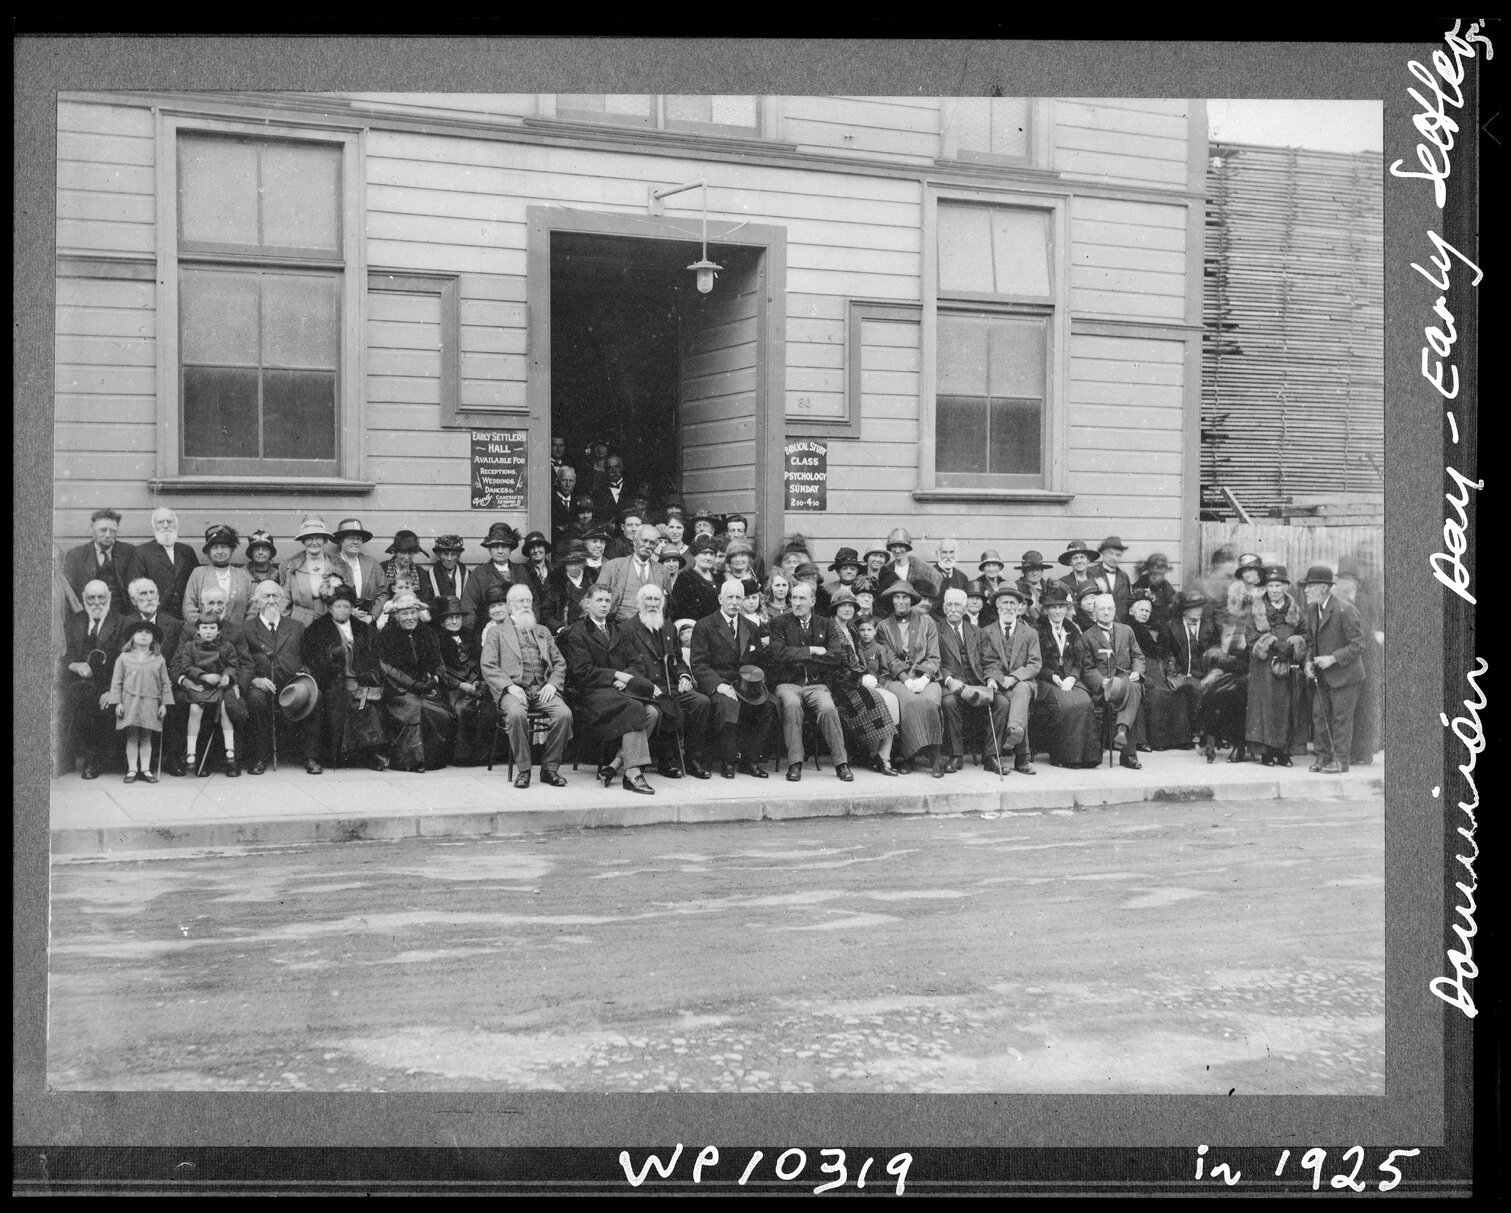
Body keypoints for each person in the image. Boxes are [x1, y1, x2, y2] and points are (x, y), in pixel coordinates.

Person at [561, 582, 661, 794]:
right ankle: (633, 774)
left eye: (608, 600)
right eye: (599, 600)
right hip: (592, 695)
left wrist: (626, 679)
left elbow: (637, 663)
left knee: (651, 713)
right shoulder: (577, 633)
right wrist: (616, 674)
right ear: (588, 603)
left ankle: (615, 765)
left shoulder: (618, 630)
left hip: (621, 691)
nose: (604, 605)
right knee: (635, 707)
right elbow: (582, 672)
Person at [610, 584, 712, 779]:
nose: (653, 604)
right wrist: (646, 685)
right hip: (643, 687)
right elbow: (625, 666)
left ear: (662, 603)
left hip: (670, 684)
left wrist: (684, 676)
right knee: (664, 706)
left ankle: (693, 760)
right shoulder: (626, 629)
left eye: (657, 600)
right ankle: (667, 762)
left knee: (701, 702)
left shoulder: (668, 627)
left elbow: (678, 660)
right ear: (639, 603)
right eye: (648, 599)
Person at [480, 583, 573, 788]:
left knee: (564, 715)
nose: (525, 605)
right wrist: (509, 687)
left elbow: (559, 663)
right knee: (515, 715)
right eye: (520, 601)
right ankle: (524, 769)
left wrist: (553, 685)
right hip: (513, 690)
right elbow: (488, 665)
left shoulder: (542, 631)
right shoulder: (497, 632)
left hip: (542, 690)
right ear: (509, 606)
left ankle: (549, 768)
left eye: (528, 601)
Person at [689, 578, 779, 779]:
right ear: (720, 598)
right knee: (729, 704)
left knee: (770, 703)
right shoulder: (705, 626)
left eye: (739, 597)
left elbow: (757, 661)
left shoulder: (750, 627)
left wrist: (757, 681)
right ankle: (728, 762)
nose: (735, 602)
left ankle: (750, 760)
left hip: (745, 685)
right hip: (720, 685)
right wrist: (719, 686)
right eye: (730, 597)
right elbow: (699, 665)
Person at [766, 581, 853, 782]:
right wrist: (811, 651)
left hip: (817, 684)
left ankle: (841, 763)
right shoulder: (780, 623)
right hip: (788, 684)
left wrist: (796, 655)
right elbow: (778, 654)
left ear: (812, 601)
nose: (796, 603)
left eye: (802, 598)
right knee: (792, 704)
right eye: (794, 598)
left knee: (828, 708)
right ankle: (795, 764)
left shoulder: (826, 624)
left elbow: (834, 657)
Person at [303, 583, 389, 770]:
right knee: (338, 700)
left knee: (368, 704)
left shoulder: (364, 630)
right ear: (329, 608)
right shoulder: (317, 629)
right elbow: (312, 660)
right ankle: (332, 756)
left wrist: (363, 676)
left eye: (346, 606)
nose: (342, 610)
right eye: (337, 606)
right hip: (330, 680)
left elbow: (374, 658)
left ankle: (370, 753)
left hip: (360, 679)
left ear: (352, 608)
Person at [169, 583, 253, 772]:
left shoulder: (235, 631)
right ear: (202, 605)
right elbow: (177, 665)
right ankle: (196, 758)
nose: (216, 607)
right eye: (211, 603)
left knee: (231, 704)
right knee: (186, 702)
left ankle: (232, 759)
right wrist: (187, 681)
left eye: (220, 603)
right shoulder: (190, 630)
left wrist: (235, 682)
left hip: (225, 684)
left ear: (227, 604)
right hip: (197, 684)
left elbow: (245, 664)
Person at [243, 579, 323, 776]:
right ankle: (261, 757)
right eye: (266, 596)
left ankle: (311, 756)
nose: (271, 601)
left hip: (292, 684)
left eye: (275, 596)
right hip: (263, 685)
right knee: (255, 699)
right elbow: (241, 662)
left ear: (283, 600)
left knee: (317, 696)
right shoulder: (246, 629)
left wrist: (304, 673)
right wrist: (254, 680)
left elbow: (308, 658)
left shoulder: (297, 626)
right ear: (256, 602)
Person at [378, 591, 456, 774]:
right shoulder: (386, 636)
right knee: (414, 708)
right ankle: (412, 761)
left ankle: (432, 759)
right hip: (399, 692)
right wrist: (412, 685)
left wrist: (435, 679)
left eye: (413, 613)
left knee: (440, 713)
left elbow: (439, 662)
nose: (410, 617)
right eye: (404, 613)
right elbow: (387, 668)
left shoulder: (427, 634)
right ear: (396, 616)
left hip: (427, 688)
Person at [1300, 564, 1366, 774]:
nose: (1306, 591)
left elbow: (1358, 644)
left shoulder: (1344, 609)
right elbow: (1310, 641)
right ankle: (1322, 758)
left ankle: (1339, 761)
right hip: (1323, 677)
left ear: (1324, 588)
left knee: (1340, 720)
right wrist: (1308, 662)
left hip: (1346, 676)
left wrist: (1333, 658)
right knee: (1320, 717)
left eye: (1311, 586)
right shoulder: (1312, 610)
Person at [874, 581, 944, 775]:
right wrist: (906, 679)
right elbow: (889, 658)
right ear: (891, 601)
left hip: (926, 677)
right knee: (910, 702)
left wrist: (925, 677)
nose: (901, 601)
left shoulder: (926, 622)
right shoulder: (883, 626)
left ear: (912, 600)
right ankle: (908, 756)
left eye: (905, 597)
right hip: (897, 678)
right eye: (897, 597)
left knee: (930, 701)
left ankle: (936, 758)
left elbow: (934, 655)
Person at [827, 586, 899, 775]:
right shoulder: (830, 629)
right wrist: (860, 680)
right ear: (835, 607)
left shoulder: (851, 628)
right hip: (841, 687)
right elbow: (833, 667)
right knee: (876, 700)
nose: (848, 609)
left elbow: (859, 659)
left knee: (889, 700)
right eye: (843, 605)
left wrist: (867, 676)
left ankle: (883, 757)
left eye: (851, 605)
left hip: (857, 682)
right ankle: (877, 758)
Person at [1030, 582, 1101, 769]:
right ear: (1045, 610)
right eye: (1052, 607)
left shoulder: (1072, 629)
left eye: (1061, 607)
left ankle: (1087, 756)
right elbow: (1035, 662)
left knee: (1085, 702)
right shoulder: (1036, 630)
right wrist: (1053, 676)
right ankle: (1065, 756)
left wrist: (1073, 677)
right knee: (1066, 705)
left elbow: (1080, 660)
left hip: (1070, 679)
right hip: (1046, 680)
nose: (1057, 612)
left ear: (1066, 608)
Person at [1243, 565, 1309, 766]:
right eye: (1270, 585)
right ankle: (1266, 752)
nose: (1274, 589)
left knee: (1287, 707)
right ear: (1265, 588)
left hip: (1288, 665)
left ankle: (1283, 752)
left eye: (1278, 585)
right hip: (1264, 668)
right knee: (1265, 708)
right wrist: (1271, 642)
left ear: (1286, 586)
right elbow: (1250, 636)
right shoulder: (1257, 609)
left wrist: (1295, 643)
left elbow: (1306, 633)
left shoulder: (1295, 609)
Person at [60, 579, 124, 778]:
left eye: (101, 597)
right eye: (91, 598)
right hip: (77, 682)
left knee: (91, 699)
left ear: (109, 598)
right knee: (80, 694)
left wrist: (113, 691)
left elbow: (126, 663)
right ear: (84, 600)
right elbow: (63, 655)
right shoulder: (73, 621)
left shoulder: (121, 622)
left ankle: (92, 760)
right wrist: (74, 665)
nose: (96, 602)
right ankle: (73, 757)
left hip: (107, 684)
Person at [1076, 592, 1146, 769]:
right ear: (1094, 611)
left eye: (1109, 608)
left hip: (1125, 680)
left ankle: (1123, 736)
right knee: (1134, 691)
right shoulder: (1087, 636)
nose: (1106, 612)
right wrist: (1101, 682)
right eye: (1101, 609)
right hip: (1103, 687)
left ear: (1115, 609)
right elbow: (1087, 668)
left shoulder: (1126, 630)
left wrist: (1137, 671)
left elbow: (1138, 655)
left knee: (1135, 686)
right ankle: (1127, 749)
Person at [977, 586, 1042, 775]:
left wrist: (1015, 677)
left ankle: (1015, 732)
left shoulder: (1029, 633)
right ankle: (1016, 758)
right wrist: (995, 678)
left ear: (1019, 606)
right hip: (996, 685)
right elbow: (986, 660)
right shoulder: (986, 632)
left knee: (1021, 691)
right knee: (1004, 703)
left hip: (1023, 682)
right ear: (997, 606)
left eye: (1012, 603)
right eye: (1004, 603)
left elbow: (1035, 664)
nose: (1008, 607)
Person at [125, 575, 186, 775]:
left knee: (178, 700)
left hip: (166, 681)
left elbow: (179, 658)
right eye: (143, 593)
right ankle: (139, 762)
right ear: (134, 600)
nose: (150, 598)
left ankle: (174, 757)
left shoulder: (174, 624)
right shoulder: (125, 624)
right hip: (135, 684)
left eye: (153, 593)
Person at [935, 587, 995, 774]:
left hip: (976, 682)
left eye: (957, 605)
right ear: (944, 608)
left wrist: (992, 678)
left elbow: (989, 660)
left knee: (1001, 702)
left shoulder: (977, 632)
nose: (953, 609)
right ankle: (956, 756)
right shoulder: (935, 630)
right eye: (949, 605)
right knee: (949, 702)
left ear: (965, 608)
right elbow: (933, 660)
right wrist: (948, 679)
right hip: (951, 684)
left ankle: (991, 756)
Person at [1162, 588, 1227, 760]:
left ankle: (1203, 734)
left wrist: (1212, 672)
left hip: (1205, 674)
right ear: (1184, 609)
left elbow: (1217, 651)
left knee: (1205, 690)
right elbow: (1168, 652)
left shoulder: (1209, 626)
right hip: (1182, 673)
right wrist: (1172, 669)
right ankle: (1188, 736)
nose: (1198, 610)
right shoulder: (1172, 626)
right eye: (1193, 607)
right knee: (1186, 690)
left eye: (1200, 606)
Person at [430, 594, 494, 768]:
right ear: (442, 621)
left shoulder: (470, 636)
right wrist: (461, 685)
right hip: (451, 687)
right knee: (461, 708)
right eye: (449, 618)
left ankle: (485, 755)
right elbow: (440, 669)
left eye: (457, 617)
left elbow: (481, 661)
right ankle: (462, 756)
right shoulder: (436, 639)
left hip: (474, 683)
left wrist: (477, 682)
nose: (454, 621)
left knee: (487, 706)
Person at [108, 619, 173, 784]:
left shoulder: (159, 659)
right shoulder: (123, 658)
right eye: (140, 632)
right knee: (131, 735)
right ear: (132, 637)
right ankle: (132, 770)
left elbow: (165, 683)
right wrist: (117, 703)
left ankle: (145, 770)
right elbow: (117, 681)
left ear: (153, 639)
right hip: (130, 701)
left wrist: (164, 704)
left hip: (151, 702)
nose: (144, 635)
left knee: (146, 736)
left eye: (148, 632)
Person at [176, 615, 242, 777]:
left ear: (219, 630)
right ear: (197, 630)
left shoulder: (226, 646)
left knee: (226, 710)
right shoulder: (190, 646)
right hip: (199, 686)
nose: (208, 631)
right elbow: (186, 666)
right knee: (195, 709)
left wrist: (227, 676)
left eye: (212, 628)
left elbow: (232, 665)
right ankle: (191, 753)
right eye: (204, 628)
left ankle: (230, 753)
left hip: (219, 687)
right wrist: (204, 676)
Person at [1335, 554, 1383, 765]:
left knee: (1367, 705)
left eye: (1349, 578)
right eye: (1341, 578)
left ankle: (1365, 751)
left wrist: (1378, 634)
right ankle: (1349, 751)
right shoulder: (1336, 602)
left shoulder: (1367, 601)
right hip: (1347, 657)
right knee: (1348, 705)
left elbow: (1378, 624)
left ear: (1356, 581)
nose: (1344, 582)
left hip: (1369, 658)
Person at [63, 507, 141, 616]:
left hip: (121, 617)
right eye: (103, 530)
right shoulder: (76, 556)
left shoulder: (129, 552)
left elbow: (136, 588)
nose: (108, 535)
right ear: (92, 529)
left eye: (112, 530)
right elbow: (69, 594)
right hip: (88, 616)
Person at [1126, 588, 1178, 751]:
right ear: (1131, 611)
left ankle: (1175, 740)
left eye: (1147, 611)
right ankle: (1154, 741)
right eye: (1141, 610)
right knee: (1156, 694)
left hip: (1159, 668)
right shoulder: (1127, 629)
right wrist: (1141, 674)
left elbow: (1170, 651)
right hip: (1139, 670)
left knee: (1176, 693)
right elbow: (1126, 656)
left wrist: (1170, 663)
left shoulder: (1159, 629)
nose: (1144, 613)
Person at [598, 523, 674, 623]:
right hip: (619, 628)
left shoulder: (663, 571)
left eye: (652, 543)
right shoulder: (612, 566)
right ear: (634, 541)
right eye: (644, 540)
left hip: (650, 628)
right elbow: (596, 599)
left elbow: (667, 608)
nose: (647, 546)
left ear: (656, 545)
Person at [135, 506, 201, 621]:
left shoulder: (187, 551)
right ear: (153, 528)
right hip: (157, 617)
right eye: (160, 522)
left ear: (176, 526)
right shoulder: (142, 552)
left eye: (169, 522)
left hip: (185, 618)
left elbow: (197, 583)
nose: (165, 525)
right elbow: (136, 589)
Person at [278, 516, 340, 627]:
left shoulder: (337, 566)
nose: (314, 542)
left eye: (318, 538)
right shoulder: (291, 567)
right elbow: (284, 600)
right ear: (303, 541)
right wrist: (287, 628)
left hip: (330, 621)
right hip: (300, 622)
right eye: (309, 538)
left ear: (325, 540)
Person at [459, 522, 521, 631]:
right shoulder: (479, 573)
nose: (500, 551)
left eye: (505, 546)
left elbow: (533, 602)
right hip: (488, 630)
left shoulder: (521, 571)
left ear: (511, 549)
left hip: (519, 628)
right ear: (489, 549)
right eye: (496, 547)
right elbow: (469, 605)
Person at [333, 518, 387, 618]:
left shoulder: (372, 563)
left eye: (358, 539)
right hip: (338, 621)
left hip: (366, 622)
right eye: (351, 538)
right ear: (341, 540)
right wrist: (350, 611)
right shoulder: (331, 563)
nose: (355, 542)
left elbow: (383, 592)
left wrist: (372, 616)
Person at [877, 528, 940, 603]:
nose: (897, 550)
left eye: (901, 546)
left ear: (907, 547)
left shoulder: (922, 571)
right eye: (894, 546)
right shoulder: (886, 570)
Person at [547, 539, 596, 635]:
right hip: (564, 633)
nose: (574, 566)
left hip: (590, 633)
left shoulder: (593, 578)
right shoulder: (555, 580)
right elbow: (546, 613)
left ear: (584, 562)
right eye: (570, 562)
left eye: (577, 562)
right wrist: (559, 628)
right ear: (564, 563)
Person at [516, 531, 560, 633]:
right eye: (532, 548)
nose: (536, 550)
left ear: (545, 548)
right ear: (528, 552)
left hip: (557, 623)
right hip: (533, 623)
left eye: (539, 546)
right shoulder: (522, 572)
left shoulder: (556, 571)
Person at [1132, 552, 1178, 633]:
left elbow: (1173, 600)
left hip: (1163, 626)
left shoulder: (1165, 585)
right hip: (1145, 627)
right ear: (1150, 571)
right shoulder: (1141, 585)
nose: (1159, 576)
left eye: (1162, 572)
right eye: (1155, 573)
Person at [1091, 536, 1134, 620]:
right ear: (1103, 553)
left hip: (1121, 626)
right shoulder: (1092, 573)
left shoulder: (1124, 577)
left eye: (1118, 555)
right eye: (1110, 553)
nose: (1114, 558)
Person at [930, 539, 970, 613]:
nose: (948, 556)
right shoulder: (928, 575)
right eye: (944, 552)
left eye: (951, 552)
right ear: (936, 554)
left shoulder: (962, 577)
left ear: (956, 553)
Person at [1013, 551, 1053, 625]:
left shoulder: (1049, 587)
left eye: (1038, 570)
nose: (1034, 573)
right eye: (1031, 570)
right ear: (1024, 571)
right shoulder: (1018, 587)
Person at [1057, 539, 1099, 605]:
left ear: (1088, 560)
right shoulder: (1063, 583)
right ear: (1070, 562)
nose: (1079, 561)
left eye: (1082, 557)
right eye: (1075, 558)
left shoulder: (1096, 581)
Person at [976, 550, 1010, 624]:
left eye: (994, 565)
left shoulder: (1004, 583)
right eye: (988, 566)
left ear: (999, 567)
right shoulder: (978, 584)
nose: (991, 569)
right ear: (983, 568)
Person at [550, 466, 578, 538]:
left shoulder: (577, 501)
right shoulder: (550, 501)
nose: (568, 484)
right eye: (564, 480)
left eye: (571, 481)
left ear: (575, 482)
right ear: (557, 481)